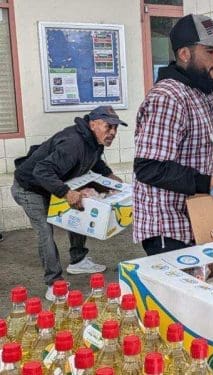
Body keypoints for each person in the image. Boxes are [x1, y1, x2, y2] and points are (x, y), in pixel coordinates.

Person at [134, 14, 213, 256]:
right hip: (168, 228)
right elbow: (149, 167)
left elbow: (197, 141)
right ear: (184, 54)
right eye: (211, 51)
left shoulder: (201, 93)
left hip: (196, 218)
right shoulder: (168, 97)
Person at [11, 106, 127, 300]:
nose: (113, 133)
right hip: (29, 187)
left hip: (52, 184)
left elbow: (95, 161)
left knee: (80, 210)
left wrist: (109, 176)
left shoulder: (93, 141)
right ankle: (54, 283)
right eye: (109, 127)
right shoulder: (73, 143)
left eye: (116, 128)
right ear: (93, 124)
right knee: (45, 232)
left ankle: (78, 260)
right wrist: (66, 192)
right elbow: (41, 171)